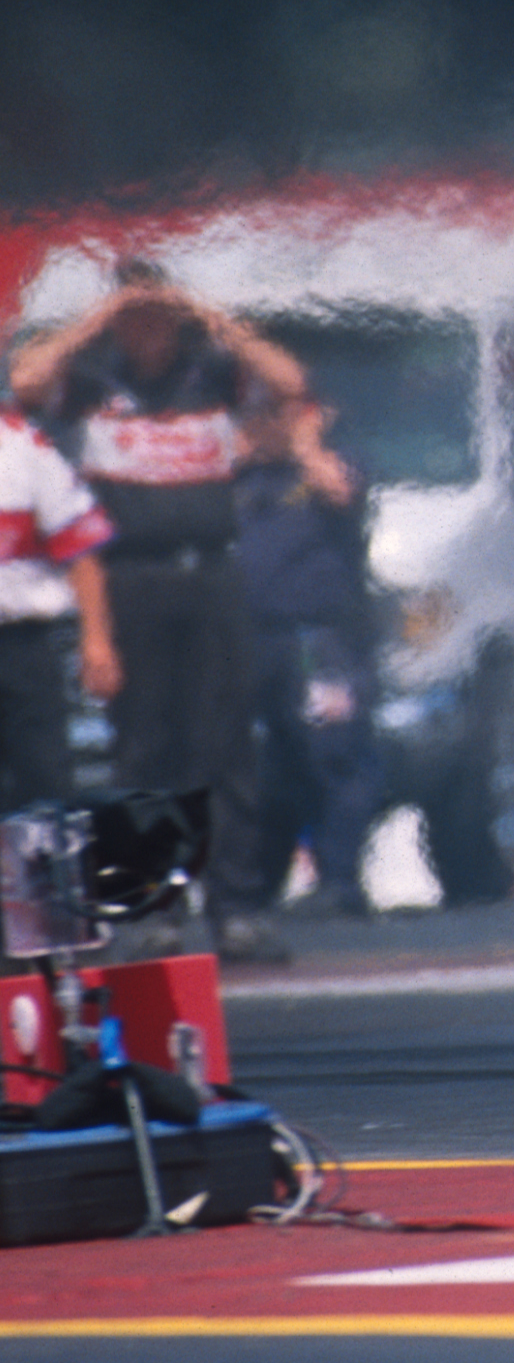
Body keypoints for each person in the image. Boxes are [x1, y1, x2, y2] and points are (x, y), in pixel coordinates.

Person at [11, 258, 307, 948]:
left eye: (159, 320)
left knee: (225, 742)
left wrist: (203, 312)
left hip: (209, 571)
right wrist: (98, 321)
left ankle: (234, 905)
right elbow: (25, 381)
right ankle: (153, 906)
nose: (150, 335)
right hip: (130, 576)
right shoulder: (92, 382)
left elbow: (289, 381)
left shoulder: (208, 373)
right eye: (136, 321)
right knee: (145, 747)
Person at [235, 392, 385, 917]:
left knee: (335, 754)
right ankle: (255, 882)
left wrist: (303, 439)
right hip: (253, 640)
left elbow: (340, 490)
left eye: (268, 413)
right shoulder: (244, 481)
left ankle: (340, 878)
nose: (256, 425)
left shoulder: (329, 468)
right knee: (266, 765)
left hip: (315, 641)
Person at [0, 405, 118, 814]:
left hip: (21, 647)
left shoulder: (23, 444)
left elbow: (83, 552)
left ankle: (45, 878)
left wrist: (97, 642)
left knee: (45, 790)